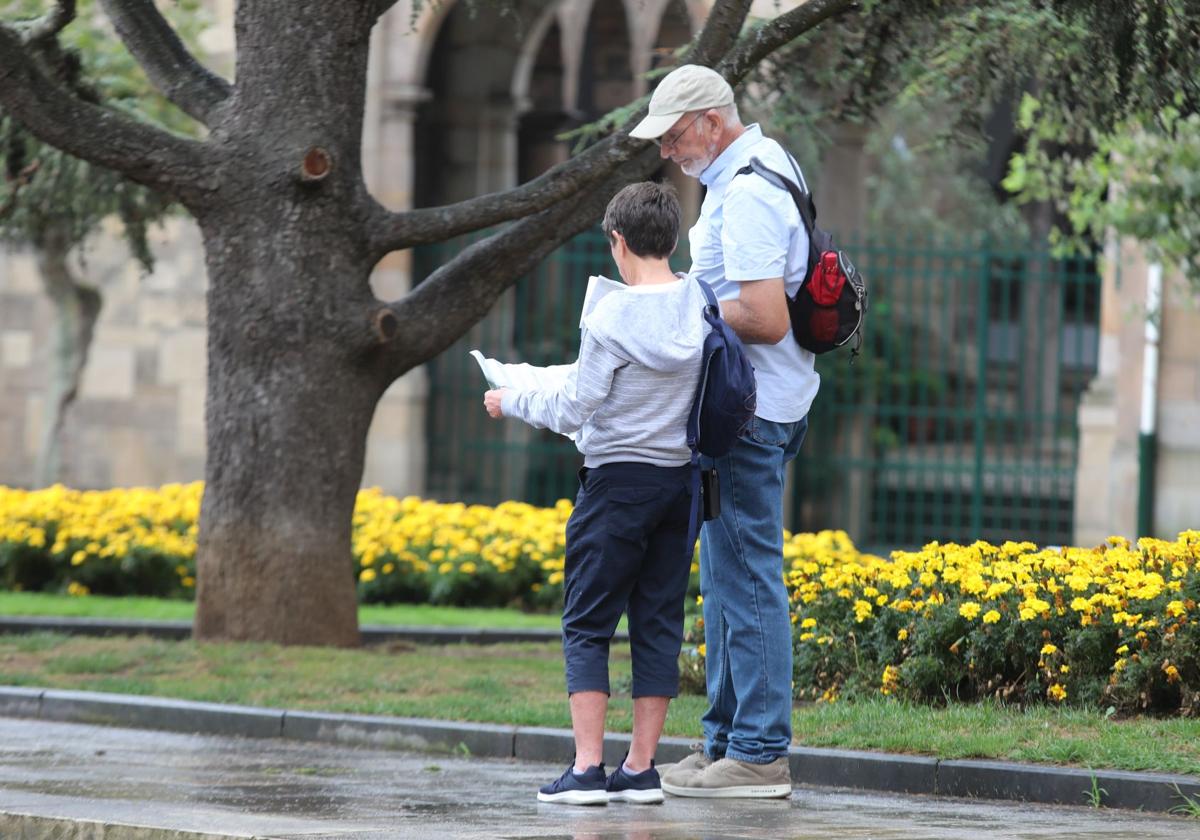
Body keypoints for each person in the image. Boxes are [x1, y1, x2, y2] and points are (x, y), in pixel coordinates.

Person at [483, 181, 709, 806]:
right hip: (679, 483)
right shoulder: (699, 303)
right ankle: (640, 769)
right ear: (669, 235)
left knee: (587, 621)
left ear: (618, 240)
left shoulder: (610, 314)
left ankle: (586, 770)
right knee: (657, 622)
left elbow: (578, 403)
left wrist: (514, 398)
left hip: (615, 484)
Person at [628, 64, 820, 798]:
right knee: (727, 580)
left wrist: (683, 308)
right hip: (754, 407)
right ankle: (723, 743)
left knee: (745, 579)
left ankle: (761, 752)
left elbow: (765, 317)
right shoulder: (765, 167)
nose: (670, 151)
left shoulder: (745, 195)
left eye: (676, 135)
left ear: (712, 120)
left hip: (748, 413)